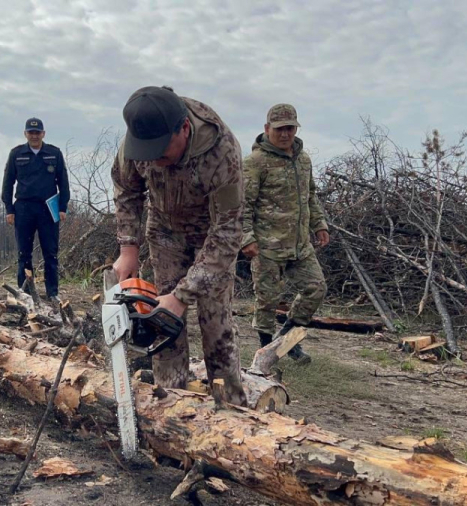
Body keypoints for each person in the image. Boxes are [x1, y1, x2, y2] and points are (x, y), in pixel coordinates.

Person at [111, 86, 247, 406]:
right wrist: (128, 247)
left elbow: (228, 232)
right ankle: (169, 406)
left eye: (161, 152)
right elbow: (126, 188)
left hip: (212, 238)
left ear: (183, 129)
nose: (154, 161)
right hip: (165, 232)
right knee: (162, 323)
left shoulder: (222, 152)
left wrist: (183, 296)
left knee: (216, 326)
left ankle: (233, 412)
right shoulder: (139, 139)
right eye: (148, 153)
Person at [241, 104, 329, 364]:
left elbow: (310, 195)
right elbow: (242, 204)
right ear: (267, 129)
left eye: (290, 128)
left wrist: (319, 224)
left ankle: (288, 341)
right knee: (267, 301)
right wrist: (247, 238)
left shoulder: (303, 160)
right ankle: (265, 355)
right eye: (279, 129)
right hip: (267, 247)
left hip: (300, 245)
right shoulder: (255, 163)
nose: (285, 134)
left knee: (316, 288)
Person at [1, 118, 69, 301]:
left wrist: (63, 207)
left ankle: (53, 293)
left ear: (43, 134)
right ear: (25, 134)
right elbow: (7, 183)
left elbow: (63, 182)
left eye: (37, 132)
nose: (34, 135)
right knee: (24, 253)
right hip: (24, 208)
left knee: (51, 253)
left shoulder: (54, 153)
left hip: (48, 208)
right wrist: (9, 209)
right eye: (31, 132)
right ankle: (25, 293)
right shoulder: (16, 154)